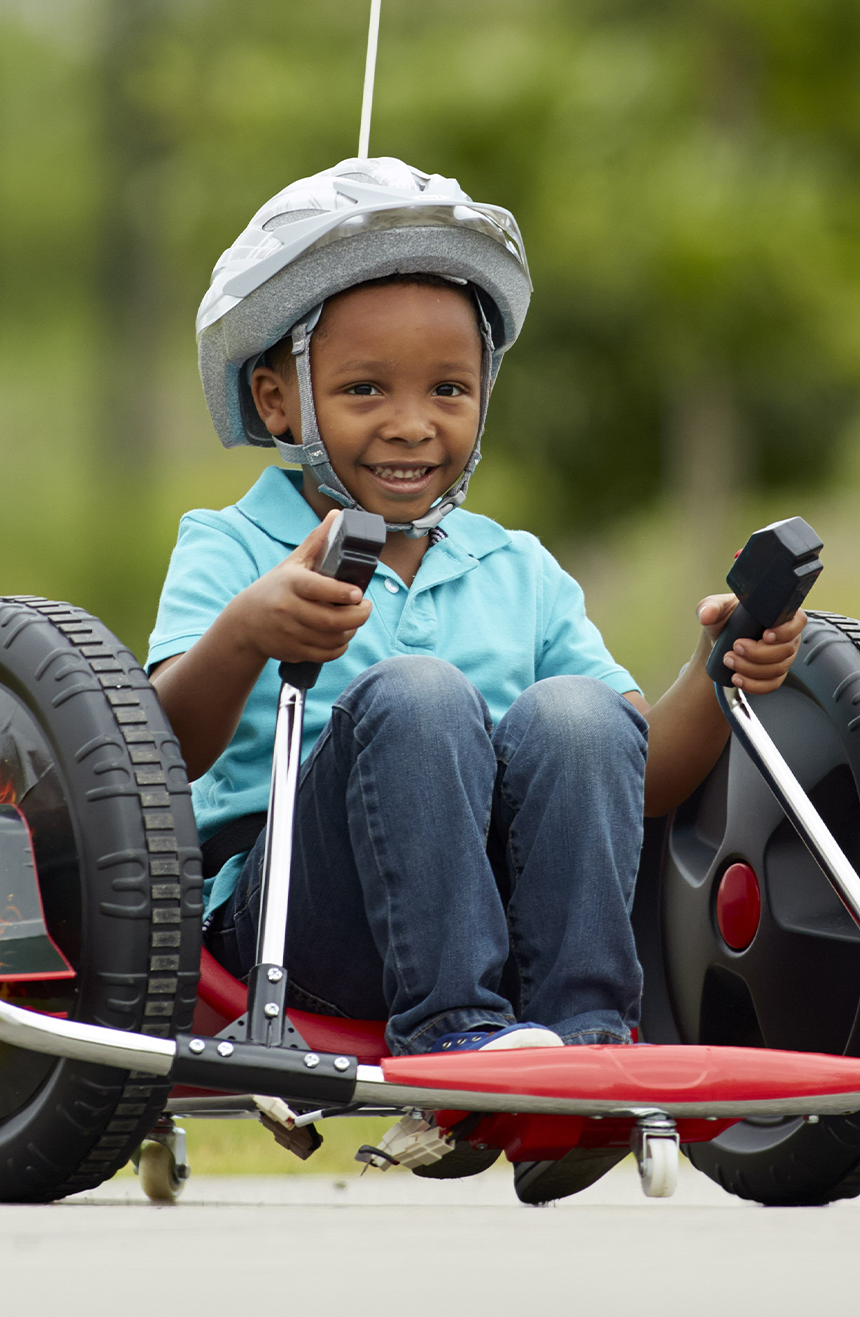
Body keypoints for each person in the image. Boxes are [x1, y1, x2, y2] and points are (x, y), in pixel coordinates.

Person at [147, 158, 806, 1079]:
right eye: (365, 390)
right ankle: (454, 1039)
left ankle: (586, 1040)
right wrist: (246, 633)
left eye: (448, 391)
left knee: (581, 713)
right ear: (277, 399)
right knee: (419, 697)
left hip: (505, 936)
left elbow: (641, 777)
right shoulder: (229, 546)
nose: (413, 425)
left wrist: (719, 663)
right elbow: (159, 753)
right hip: (291, 932)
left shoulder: (518, 569)